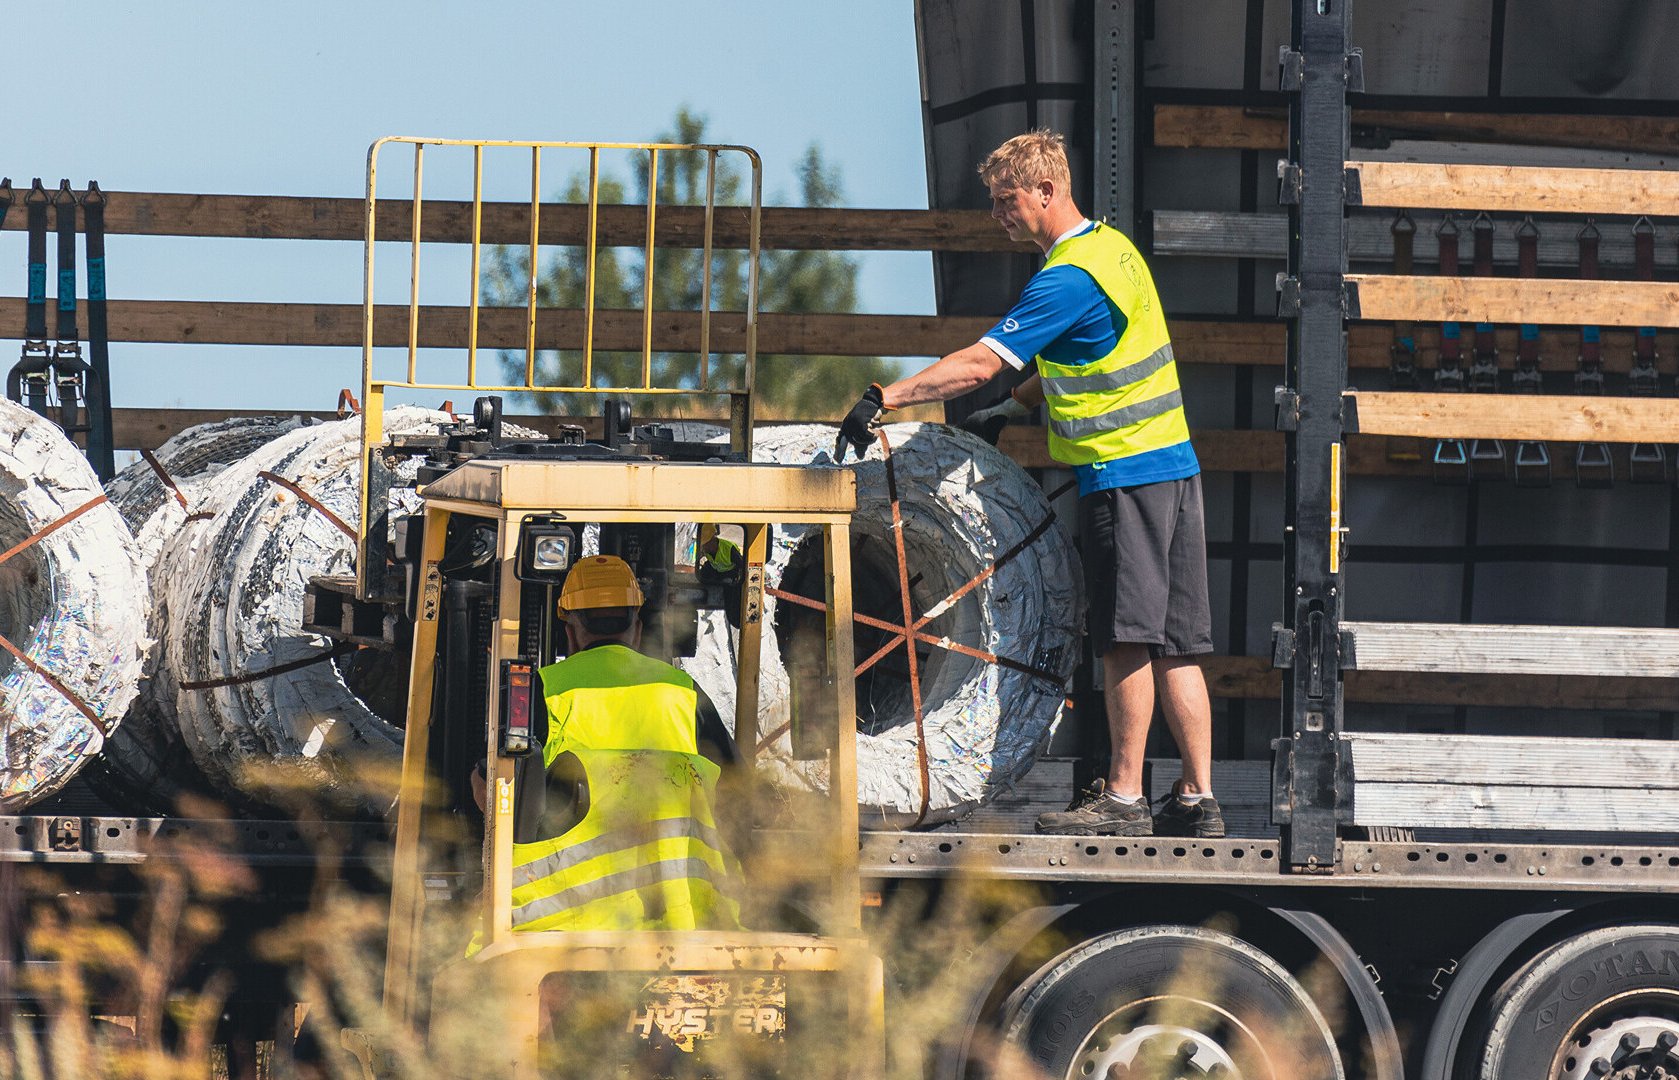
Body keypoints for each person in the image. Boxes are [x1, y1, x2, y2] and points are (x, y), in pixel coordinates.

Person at [834, 129, 1221, 839]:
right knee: (1176, 644)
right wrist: (1011, 411)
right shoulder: (1113, 251)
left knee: (1125, 640)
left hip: (1123, 476)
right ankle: (1199, 797)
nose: (996, 214)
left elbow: (981, 362)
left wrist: (885, 397)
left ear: (1046, 191)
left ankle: (1125, 798)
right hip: (1173, 472)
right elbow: (1084, 354)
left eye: (1005, 199)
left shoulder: (1064, 278)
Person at [469, 554, 743, 934]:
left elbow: (492, 792)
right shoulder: (684, 692)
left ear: (570, 631)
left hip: (564, 926)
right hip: (682, 921)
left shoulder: (544, 690)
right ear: (637, 628)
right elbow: (738, 794)